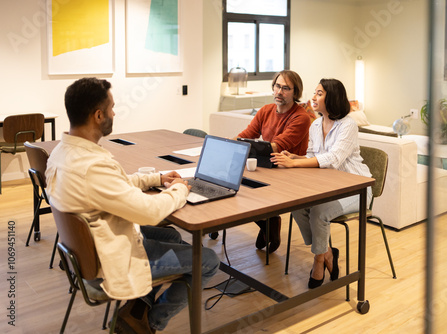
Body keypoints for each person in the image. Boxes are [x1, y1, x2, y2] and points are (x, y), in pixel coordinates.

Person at [45, 77, 220, 334]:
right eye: (112, 107)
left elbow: (113, 184)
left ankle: (137, 308)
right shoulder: (93, 166)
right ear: (98, 115)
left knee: (171, 235)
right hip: (110, 259)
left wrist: (157, 178)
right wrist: (180, 190)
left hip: (92, 249)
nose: (114, 113)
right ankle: (149, 323)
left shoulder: (63, 153)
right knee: (207, 260)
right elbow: (149, 213)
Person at [271, 78, 372, 289]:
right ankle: (326, 252)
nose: (313, 97)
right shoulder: (316, 124)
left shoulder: (348, 125)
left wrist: (294, 164)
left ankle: (318, 260)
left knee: (318, 212)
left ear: (332, 98)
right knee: (297, 206)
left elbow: (333, 159)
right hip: (328, 187)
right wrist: (295, 158)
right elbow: (311, 155)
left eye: (319, 94)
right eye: (315, 92)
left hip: (356, 189)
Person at [234, 70, 311, 253]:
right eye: (277, 86)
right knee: (235, 187)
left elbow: (276, 147)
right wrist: (230, 143)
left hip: (289, 173)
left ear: (295, 92)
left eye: (286, 88)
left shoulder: (301, 117)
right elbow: (246, 136)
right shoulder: (266, 110)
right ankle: (268, 222)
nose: (279, 92)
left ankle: (270, 219)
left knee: (246, 189)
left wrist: (245, 145)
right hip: (267, 167)